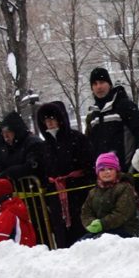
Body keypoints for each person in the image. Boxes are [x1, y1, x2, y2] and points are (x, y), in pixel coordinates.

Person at [34, 100, 95, 248]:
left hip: (77, 193)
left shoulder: (76, 138)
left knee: (81, 229)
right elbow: (43, 171)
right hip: (57, 195)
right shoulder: (44, 146)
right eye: (46, 120)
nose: (49, 123)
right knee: (61, 233)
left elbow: (88, 164)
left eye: (52, 119)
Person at [85, 67, 139, 171]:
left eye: (102, 82)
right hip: (104, 174)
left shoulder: (125, 106)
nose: (98, 87)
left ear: (109, 84)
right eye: (95, 84)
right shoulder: (93, 115)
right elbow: (91, 146)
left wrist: (134, 165)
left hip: (127, 171)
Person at [80, 152, 139, 238]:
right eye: (102, 169)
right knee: (82, 243)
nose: (106, 172)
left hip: (124, 230)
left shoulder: (125, 188)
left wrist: (102, 223)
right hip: (101, 230)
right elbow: (86, 212)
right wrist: (91, 223)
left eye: (110, 168)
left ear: (116, 170)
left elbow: (122, 213)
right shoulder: (93, 192)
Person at [0, 177, 37, 246]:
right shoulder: (15, 206)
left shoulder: (7, 212)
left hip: (16, 253)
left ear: (2, 196)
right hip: (25, 249)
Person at [0, 111, 43, 182]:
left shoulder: (32, 143)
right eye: (3, 133)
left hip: (33, 188)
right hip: (17, 190)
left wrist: (9, 173)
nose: (5, 136)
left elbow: (32, 166)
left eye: (8, 132)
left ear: (16, 130)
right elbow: (0, 165)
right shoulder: (6, 148)